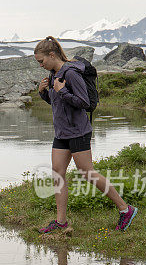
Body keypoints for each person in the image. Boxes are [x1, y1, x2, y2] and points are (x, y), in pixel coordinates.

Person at [34, 36, 137, 234]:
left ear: (52, 54)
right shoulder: (54, 74)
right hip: (62, 132)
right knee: (57, 173)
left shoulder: (71, 74)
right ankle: (61, 222)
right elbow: (59, 104)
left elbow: (84, 102)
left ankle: (125, 209)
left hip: (78, 131)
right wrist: (44, 93)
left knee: (87, 173)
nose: (41, 65)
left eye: (41, 61)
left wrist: (62, 91)